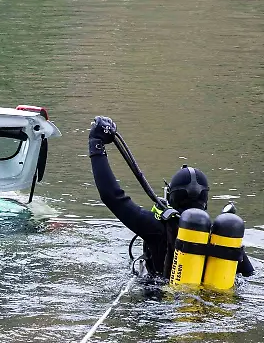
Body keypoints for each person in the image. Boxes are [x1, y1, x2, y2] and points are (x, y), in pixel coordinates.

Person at [88, 116, 254, 281]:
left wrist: (96, 143)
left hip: (161, 303)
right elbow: (250, 275)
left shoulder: (156, 228)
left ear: (171, 196)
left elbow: (113, 197)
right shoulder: (222, 235)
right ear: (205, 199)